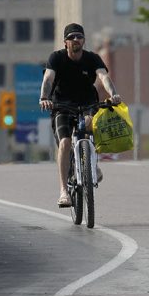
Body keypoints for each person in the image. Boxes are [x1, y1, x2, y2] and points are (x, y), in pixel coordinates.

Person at [39, 23, 122, 207]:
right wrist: (44, 97)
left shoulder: (92, 58)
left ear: (84, 40)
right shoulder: (57, 58)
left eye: (79, 37)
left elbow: (103, 77)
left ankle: (92, 165)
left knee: (92, 124)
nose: (76, 40)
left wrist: (113, 94)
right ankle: (63, 190)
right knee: (65, 142)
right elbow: (48, 79)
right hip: (61, 105)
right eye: (72, 37)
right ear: (65, 42)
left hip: (87, 103)